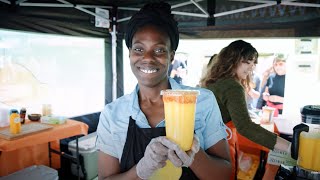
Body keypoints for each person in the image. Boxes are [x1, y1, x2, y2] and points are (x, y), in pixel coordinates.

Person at [96, 2, 231, 180]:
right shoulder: (112, 114)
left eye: (159, 50)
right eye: (139, 49)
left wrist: (193, 155)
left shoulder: (202, 101)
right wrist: (141, 169)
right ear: (129, 53)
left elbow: (224, 174)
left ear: (171, 55)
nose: (148, 58)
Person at [199, 40, 291, 179]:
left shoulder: (212, 81)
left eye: (253, 63)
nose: (251, 67)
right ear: (233, 60)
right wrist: (289, 147)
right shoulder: (233, 87)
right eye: (247, 62)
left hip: (203, 147)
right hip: (219, 147)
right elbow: (245, 126)